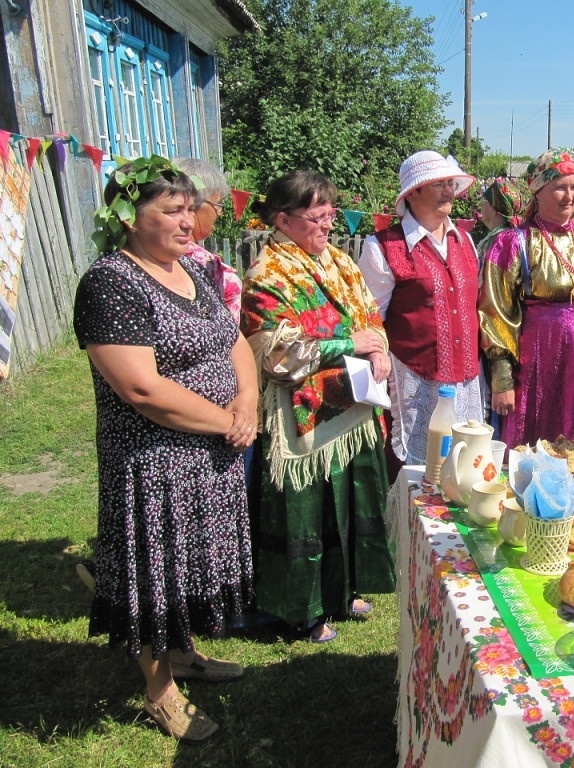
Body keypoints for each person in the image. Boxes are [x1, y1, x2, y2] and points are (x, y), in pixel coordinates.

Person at [73, 156, 256, 743]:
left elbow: (236, 343)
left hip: (211, 454)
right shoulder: (111, 283)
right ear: (130, 217)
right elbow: (141, 388)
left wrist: (247, 405)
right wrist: (227, 418)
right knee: (155, 572)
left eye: (188, 210)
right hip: (154, 463)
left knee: (189, 563)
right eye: (171, 210)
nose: (188, 221)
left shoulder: (190, 274)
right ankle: (159, 691)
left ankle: (182, 653)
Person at [242, 170, 395, 642]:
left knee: (346, 504)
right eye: (319, 215)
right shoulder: (267, 274)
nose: (330, 224)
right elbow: (277, 354)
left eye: (332, 213)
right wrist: (352, 343)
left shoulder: (339, 263)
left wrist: (378, 349)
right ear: (284, 220)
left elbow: (370, 313)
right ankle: (303, 610)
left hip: (349, 405)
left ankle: (343, 589)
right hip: (299, 416)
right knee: (306, 513)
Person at [360, 151, 482, 476]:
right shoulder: (383, 247)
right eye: (438, 184)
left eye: (450, 184)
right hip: (415, 380)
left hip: (466, 378)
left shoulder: (466, 241)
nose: (448, 191)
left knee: (464, 470)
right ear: (412, 193)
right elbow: (371, 319)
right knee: (417, 474)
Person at [480, 147, 574, 449]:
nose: (570, 196)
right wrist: (502, 380)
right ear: (538, 191)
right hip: (537, 359)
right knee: (534, 442)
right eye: (560, 188)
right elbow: (496, 312)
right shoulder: (513, 242)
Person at [173, 157, 242, 323]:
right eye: (217, 204)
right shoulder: (211, 269)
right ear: (194, 203)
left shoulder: (143, 257)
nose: (219, 212)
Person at [476, 176, 526, 263]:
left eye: (484, 202)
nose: (481, 206)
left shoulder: (501, 242)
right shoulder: (499, 237)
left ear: (495, 209)